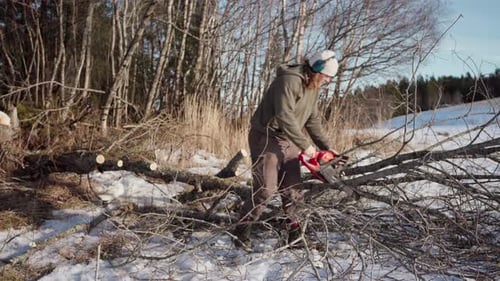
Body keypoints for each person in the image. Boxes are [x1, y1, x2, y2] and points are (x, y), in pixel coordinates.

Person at [233, 50, 341, 248]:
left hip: (288, 138)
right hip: (266, 136)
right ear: (316, 70)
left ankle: (294, 234)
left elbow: (312, 119)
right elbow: (284, 116)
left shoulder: (312, 86)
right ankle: (241, 230)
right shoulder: (289, 81)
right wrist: (306, 146)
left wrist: (327, 147)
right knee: (265, 189)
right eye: (326, 76)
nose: (327, 81)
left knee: (293, 191)